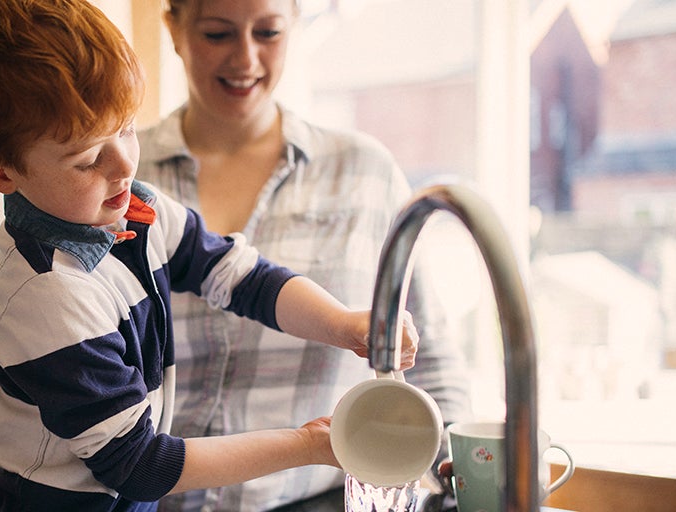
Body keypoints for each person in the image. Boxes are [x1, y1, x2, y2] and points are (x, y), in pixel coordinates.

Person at [0, 1, 421, 510]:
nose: (123, 166)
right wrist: (311, 444)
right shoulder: (47, 295)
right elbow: (142, 466)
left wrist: (343, 325)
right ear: (0, 174)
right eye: (88, 158)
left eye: (126, 129)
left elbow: (242, 277)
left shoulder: (135, 210)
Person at [135, 0, 473, 510]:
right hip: (146, 498)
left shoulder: (363, 172)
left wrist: (457, 475)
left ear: (294, 26)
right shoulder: (118, 179)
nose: (245, 58)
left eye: (268, 32)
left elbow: (430, 358)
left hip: (312, 498)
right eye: (217, 34)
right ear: (175, 29)